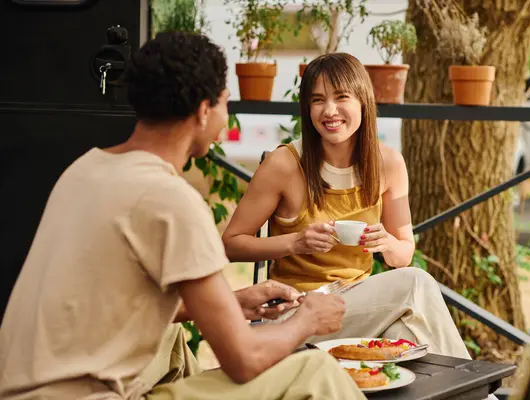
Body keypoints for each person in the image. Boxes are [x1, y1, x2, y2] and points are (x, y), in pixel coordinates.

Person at [0, 33, 366, 400]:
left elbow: (107, 304)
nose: (226, 119)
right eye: (225, 103)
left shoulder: (84, 170)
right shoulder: (171, 200)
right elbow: (244, 359)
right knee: (314, 369)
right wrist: (308, 321)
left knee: (170, 335)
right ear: (204, 110)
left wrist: (236, 301)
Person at [222, 53, 471, 358]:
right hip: (297, 313)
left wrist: (386, 243)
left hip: (362, 309)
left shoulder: (388, 163)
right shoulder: (284, 165)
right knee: (415, 283)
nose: (329, 111)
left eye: (341, 97)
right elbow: (231, 245)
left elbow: (404, 254)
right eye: (317, 100)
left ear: (363, 101)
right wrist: (295, 242)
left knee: (407, 340)